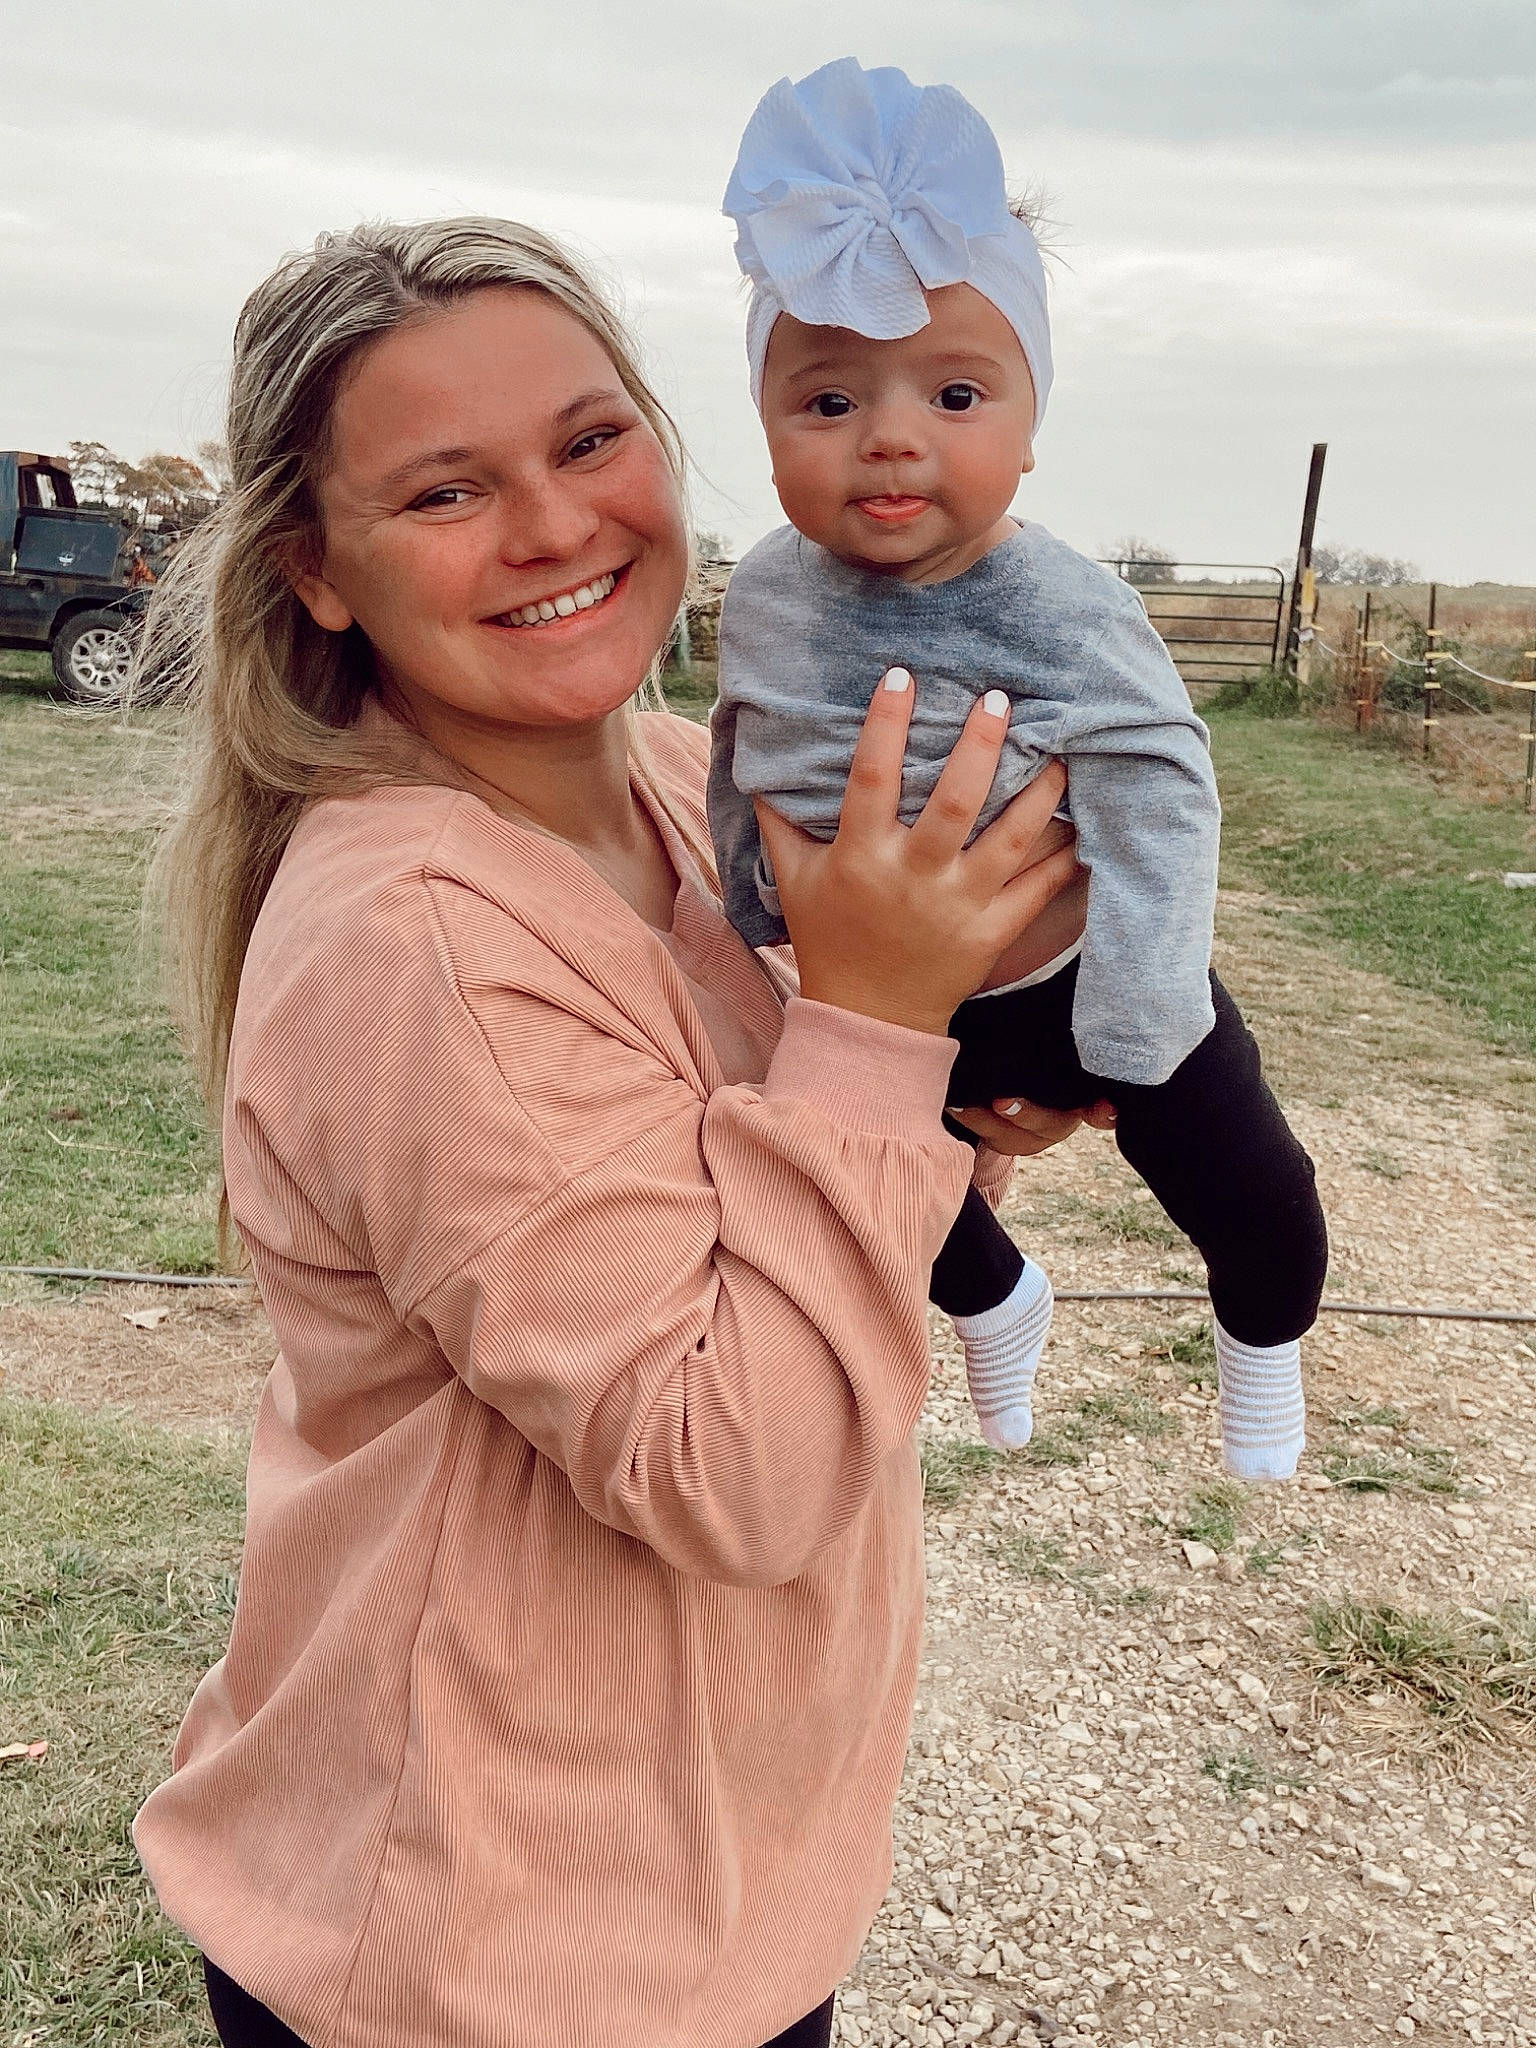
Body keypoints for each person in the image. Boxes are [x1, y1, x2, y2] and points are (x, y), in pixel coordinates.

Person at [129, 216, 1086, 2048]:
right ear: (317, 572)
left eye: (587, 442)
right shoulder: (425, 942)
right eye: (443, 492)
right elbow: (740, 1470)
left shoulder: (682, 786)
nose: (557, 528)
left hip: (694, 1878)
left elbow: (782, 1192)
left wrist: (956, 1102)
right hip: (491, 1952)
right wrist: (877, 1020)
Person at [709, 58, 1328, 1476]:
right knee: (896, 1200)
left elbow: (1162, 777)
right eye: (826, 401)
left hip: (1092, 980)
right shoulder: (763, 592)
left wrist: (1142, 1003)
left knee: (1251, 1190)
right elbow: (743, 742)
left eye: (958, 390)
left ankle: (1263, 1354)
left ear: (1032, 427)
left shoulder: (1063, 605)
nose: (891, 435)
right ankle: (1002, 1311)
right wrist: (752, 902)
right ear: (767, 421)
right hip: (889, 994)